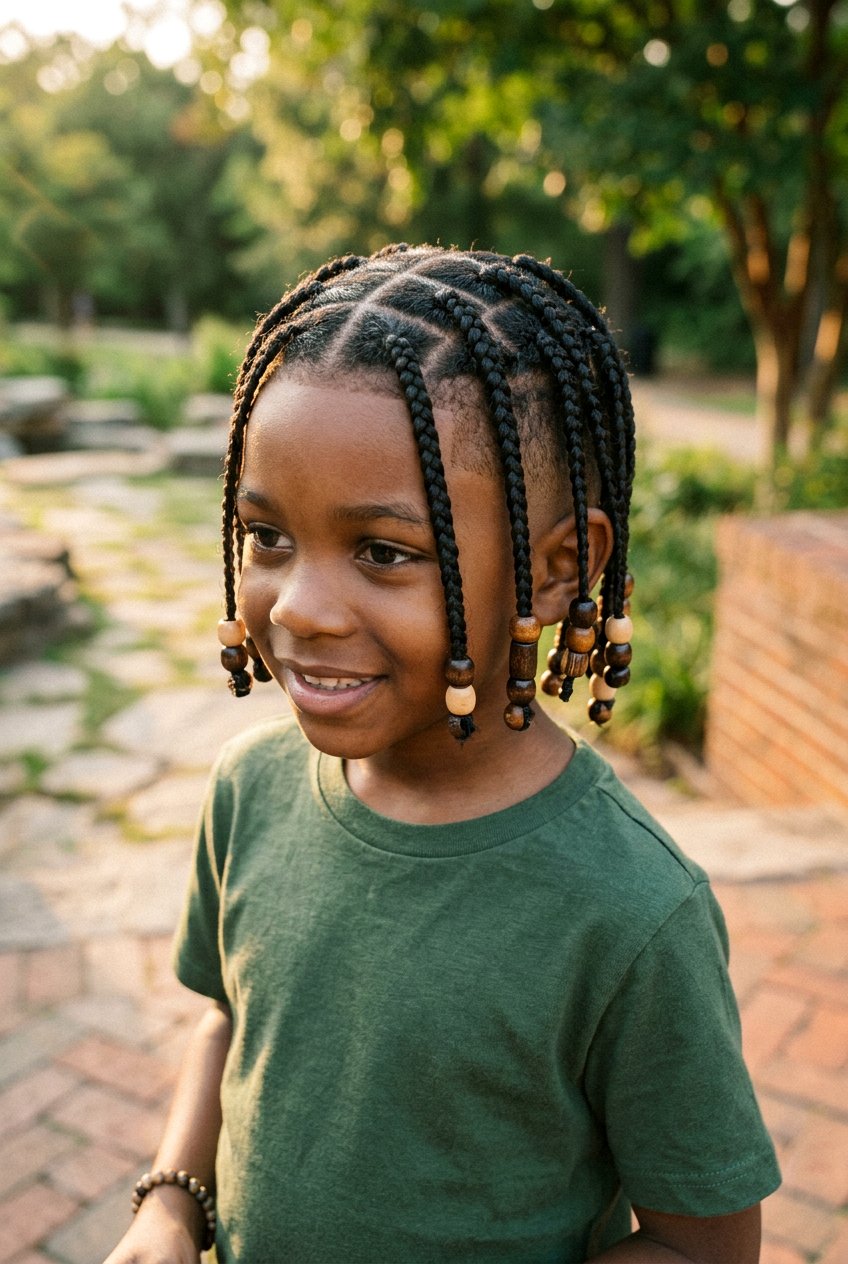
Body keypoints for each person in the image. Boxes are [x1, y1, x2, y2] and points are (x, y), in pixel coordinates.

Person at [104, 245, 780, 1264]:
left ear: (557, 570)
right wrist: (170, 1206)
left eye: (382, 552)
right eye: (268, 537)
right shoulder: (248, 791)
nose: (297, 607)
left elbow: (704, 1246)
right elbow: (225, 1024)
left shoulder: (629, 911)